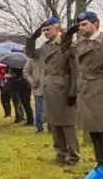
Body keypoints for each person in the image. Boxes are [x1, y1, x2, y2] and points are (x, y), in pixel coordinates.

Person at [26, 18, 79, 165]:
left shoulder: (67, 43)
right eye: (43, 31)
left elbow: (75, 69)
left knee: (67, 123)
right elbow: (31, 53)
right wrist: (32, 38)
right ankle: (60, 153)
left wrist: (73, 91)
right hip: (49, 87)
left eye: (48, 30)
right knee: (55, 122)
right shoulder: (45, 47)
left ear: (57, 29)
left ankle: (73, 155)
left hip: (64, 86)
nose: (45, 33)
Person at [66, 12, 103, 166]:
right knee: (94, 134)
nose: (81, 28)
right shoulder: (80, 44)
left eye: (84, 24)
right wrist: (69, 34)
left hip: (101, 91)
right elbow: (64, 50)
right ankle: (100, 164)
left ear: (96, 24)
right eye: (79, 25)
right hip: (85, 92)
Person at [26, 57, 46, 133]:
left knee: (51, 109)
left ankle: (51, 127)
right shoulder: (32, 59)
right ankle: (39, 127)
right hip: (38, 88)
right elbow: (26, 72)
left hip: (51, 88)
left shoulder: (52, 57)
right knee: (39, 109)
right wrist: (32, 81)